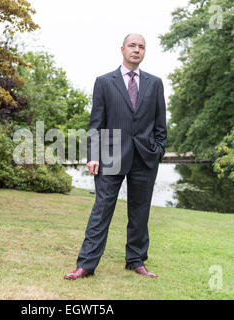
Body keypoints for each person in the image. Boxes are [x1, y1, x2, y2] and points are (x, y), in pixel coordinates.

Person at [64, 33, 167, 280]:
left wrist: (158, 150)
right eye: (132, 45)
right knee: (101, 210)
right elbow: (96, 123)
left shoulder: (155, 83)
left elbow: (160, 124)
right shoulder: (104, 82)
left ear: (144, 52)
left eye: (141, 47)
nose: (137, 50)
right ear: (122, 49)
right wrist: (93, 155)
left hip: (145, 157)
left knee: (140, 212)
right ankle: (86, 264)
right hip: (110, 156)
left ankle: (136, 260)